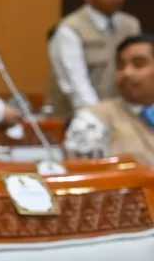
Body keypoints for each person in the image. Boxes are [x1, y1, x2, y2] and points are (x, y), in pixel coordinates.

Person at [49, 0, 142, 116]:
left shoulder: (131, 25)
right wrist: (100, 118)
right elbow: (76, 86)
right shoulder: (70, 29)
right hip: (78, 121)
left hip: (123, 120)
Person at [65, 33, 154, 165]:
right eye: (120, 65)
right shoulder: (92, 119)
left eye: (138, 64)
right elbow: (85, 175)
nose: (127, 73)